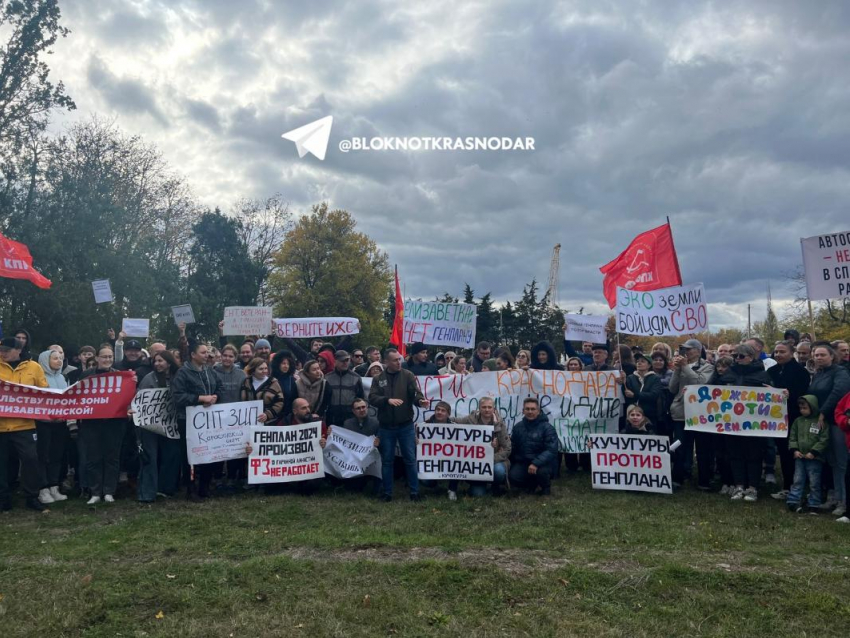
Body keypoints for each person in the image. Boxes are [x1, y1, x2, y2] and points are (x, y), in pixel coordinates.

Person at [713, 343, 771, 502]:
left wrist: (777, 393)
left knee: (754, 455)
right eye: (735, 356)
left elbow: (772, 394)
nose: (737, 359)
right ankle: (739, 485)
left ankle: (752, 488)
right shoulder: (728, 373)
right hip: (731, 422)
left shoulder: (762, 374)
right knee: (735, 454)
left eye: (741, 356)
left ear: (751, 357)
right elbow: (713, 391)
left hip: (754, 424)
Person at [368, 350, 428, 502]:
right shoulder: (378, 378)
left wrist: (420, 401)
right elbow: (372, 398)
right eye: (395, 360)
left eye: (399, 360)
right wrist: (386, 400)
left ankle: (414, 492)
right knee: (387, 461)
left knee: (410, 459)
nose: (398, 362)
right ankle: (387, 493)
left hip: (405, 426)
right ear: (386, 362)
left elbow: (415, 393)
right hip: (386, 427)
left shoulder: (407, 375)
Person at [0, 337, 49, 511]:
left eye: (7, 350)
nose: (3, 353)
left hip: (25, 425)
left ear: (18, 350)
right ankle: (3, 499)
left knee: (30, 459)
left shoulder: (34, 367)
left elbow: (44, 392)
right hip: (1, 425)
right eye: (1, 350)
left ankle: (32, 496)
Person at [171, 340, 222, 501]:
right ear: (193, 355)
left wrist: (215, 397)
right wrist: (200, 398)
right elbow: (178, 397)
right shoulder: (183, 373)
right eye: (203, 352)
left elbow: (219, 387)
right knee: (190, 456)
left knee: (208, 452)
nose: (207, 355)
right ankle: (191, 488)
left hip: (208, 419)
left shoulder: (209, 371)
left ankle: (204, 487)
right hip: (187, 420)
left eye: (207, 352)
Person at [79, 345, 126, 505]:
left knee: (112, 458)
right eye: (104, 357)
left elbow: (126, 398)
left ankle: (109, 491)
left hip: (113, 424)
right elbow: (79, 397)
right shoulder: (86, 376)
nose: (107, 360)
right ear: (97, 358)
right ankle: (95, 492)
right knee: (93, 458)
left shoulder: (120, 376)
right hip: (91, 424)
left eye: (110, 357)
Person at [135, 351, 183, 503]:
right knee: (150, 457)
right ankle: (147, 493)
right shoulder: (149, 378)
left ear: (169, 362)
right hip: (150, 425)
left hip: (171, 423)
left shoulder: (178, 377)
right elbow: (140, 399)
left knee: (172, 455)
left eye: (160, 361)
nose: (157, 364)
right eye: (155, 361)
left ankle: (166, 488)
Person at [808, 344, 850, 516]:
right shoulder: (819, 374)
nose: (819, 358)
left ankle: (844, 501)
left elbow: (838, 392)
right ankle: (834, 496)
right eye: (816, 355)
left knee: (841, 462)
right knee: (831, 460)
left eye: (822, 355)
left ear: (832, 356)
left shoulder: (840, 373)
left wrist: (824, 412)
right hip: (821, 422)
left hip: (835, 422)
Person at [767, 340, 810, 501]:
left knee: (792, 452)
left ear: (792, 353)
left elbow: (801, 394)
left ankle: (794, 486)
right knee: (783, 453)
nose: (778, 354)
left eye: (782, 352)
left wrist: (787, 394)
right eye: (776, 352)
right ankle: (787, 486)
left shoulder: (801, 372)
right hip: (774, 418)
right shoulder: (771, 371)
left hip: (793, 418)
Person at [669, 338, 714, 488]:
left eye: (689, 349)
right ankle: (678, 478)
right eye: (684, 349)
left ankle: (704, 480)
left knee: (702, 449)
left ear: (698, 350)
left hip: (700, 413)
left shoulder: (708, 367)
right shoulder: (681, 366)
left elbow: (700, 384)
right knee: (680, 446)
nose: (686, 352)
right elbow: (672, 388)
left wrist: (685, 367)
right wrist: (677, 369)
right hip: (681, 411)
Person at [452, 397, 511, 497]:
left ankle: (495, 485)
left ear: (494, 409)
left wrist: (489, 459)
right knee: (478, 494)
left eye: (489, 407)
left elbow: (507, 448)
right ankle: (479, 484)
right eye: (484, 407)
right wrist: (435, 420)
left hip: (494, 461)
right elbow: (454, 421)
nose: (487, 410)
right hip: (475, 463)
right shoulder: (470, 419)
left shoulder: (500, 424)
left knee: (499, 471)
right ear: (479, 408)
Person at [35, 349, 70, 505]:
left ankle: (54, 486)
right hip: (43, 423)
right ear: (45, 360)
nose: (59, 361)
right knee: (43, 456)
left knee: (56, 456)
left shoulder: (63, 378)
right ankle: (42, 488)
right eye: (55, 358)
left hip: (60, 423)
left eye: (60, 358)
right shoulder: (39, 377)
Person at [786, 395, 830, 513]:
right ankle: (793, 501)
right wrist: (795, 450)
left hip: (815, 459)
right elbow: (792, 437)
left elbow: (824, 439)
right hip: (800, 457)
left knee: (814, 482)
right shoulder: (797, 421)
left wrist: (814, 452)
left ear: (813, 407)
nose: (802, 411)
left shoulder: (820, 422)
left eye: (805, 408)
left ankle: (814, 503)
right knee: (798, 479)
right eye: (800, 408)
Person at [509, 398, 558, 495]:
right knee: (513, 477)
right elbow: (513, 447)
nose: (530, 412)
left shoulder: (547, 428)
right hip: (524, 462)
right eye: (527, 409)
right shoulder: (518, 427)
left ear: (538, 411)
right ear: (523, 411)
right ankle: (531, 484)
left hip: (543, 463)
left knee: (542, 473)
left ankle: (545, 488)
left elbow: (551, 450)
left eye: (533, 409)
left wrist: (536, 463)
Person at [324, 350, 365, 426]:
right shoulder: (327, 378)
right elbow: (324, 400)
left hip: (351, 419)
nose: (345, 363)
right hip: (332, 418)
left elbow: (361, 398)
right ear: (335, 361)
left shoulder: (356, 377)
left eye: (347, 360)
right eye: (342, 361)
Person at [240, 358, 285, 424]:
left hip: (268, 423)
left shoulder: (273, 383)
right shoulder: (246, 381)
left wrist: (267, 414)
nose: (264, 371)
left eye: (266, 368)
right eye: (261, 369)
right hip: (248, 421)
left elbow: (280, 402)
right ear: (253, 370)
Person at [624, 354, 661, 427]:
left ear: (649, 365)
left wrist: (635, 395)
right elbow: (626, 393)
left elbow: (654, 395)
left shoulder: (655, 378)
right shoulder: (630, 378)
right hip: (632, 415)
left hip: (649, 414)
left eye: (642, 361)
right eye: (637, 361)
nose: (639, 363)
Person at [270, 350, 299, 419]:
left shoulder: (291, 380)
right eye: (283, 363)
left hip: (287, 416)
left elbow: (294, 398)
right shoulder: (271, 379)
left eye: (288, 364)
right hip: (273, 416)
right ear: (278, 364)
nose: (286, 366)